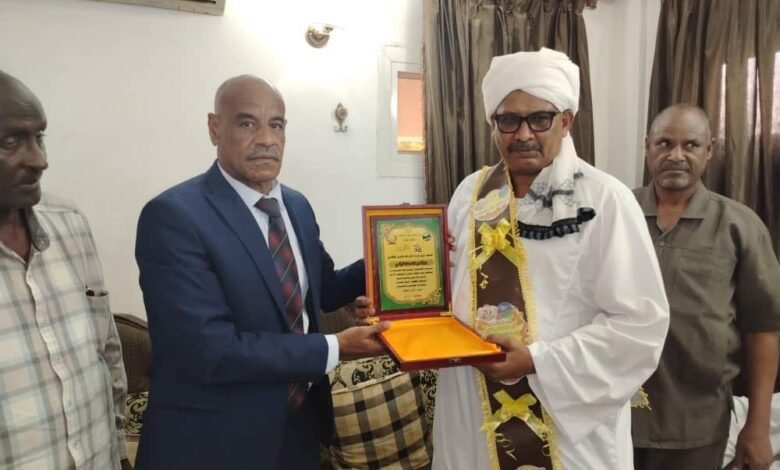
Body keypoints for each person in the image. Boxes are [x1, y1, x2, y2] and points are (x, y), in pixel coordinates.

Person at [429, 48, 670, 469]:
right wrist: (402, 306)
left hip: (566, 432)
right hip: (472, 414)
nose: (523, 134)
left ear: (566, 120)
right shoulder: (470, 193)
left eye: (540, 119)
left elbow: (641, 326)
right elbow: (452, 288)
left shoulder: (605, 200)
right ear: (492, 124)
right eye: (508, 120)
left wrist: (537, 362)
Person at [133, 75, 389, 470]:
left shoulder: (296, 206)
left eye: (276, 124)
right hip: (213, 444)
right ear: (214, 128)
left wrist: (390, 257)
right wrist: (336, 346)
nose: (267, 139)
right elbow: (211, 350)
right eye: (247, 123)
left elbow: (324, 289)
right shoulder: (174, 217)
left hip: (299, 431)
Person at [632, 104, 780, 470]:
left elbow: (763, 329)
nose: (676, 156)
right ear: (647, 146)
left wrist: (757, 425)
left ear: (710, 149)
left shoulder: (739, 226)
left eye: (691, 145)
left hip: (696, 425)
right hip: (612, 414)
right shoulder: (617, 213)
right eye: (664, 143)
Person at [0, 71, 131, 469]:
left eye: (39, 137)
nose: (40, 160)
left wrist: (119, 449)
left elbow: (106, 350)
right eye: (10, 141)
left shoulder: (69, 222)